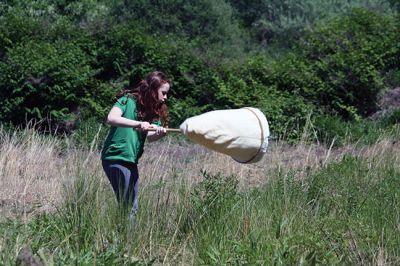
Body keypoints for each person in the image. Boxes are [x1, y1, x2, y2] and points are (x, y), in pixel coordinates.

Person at [101, 71, 170, 222]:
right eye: (163, 93)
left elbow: (151, 137)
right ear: (153, 89)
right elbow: (111, 118)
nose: (165, 97)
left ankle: (122, 240)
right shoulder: (127, 101)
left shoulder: (152, 111)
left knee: (131, 205)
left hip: (131, 160)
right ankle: (123, 241)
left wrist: (161, 133)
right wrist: (138, 123)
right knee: (128, 205)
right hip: (115, 156)